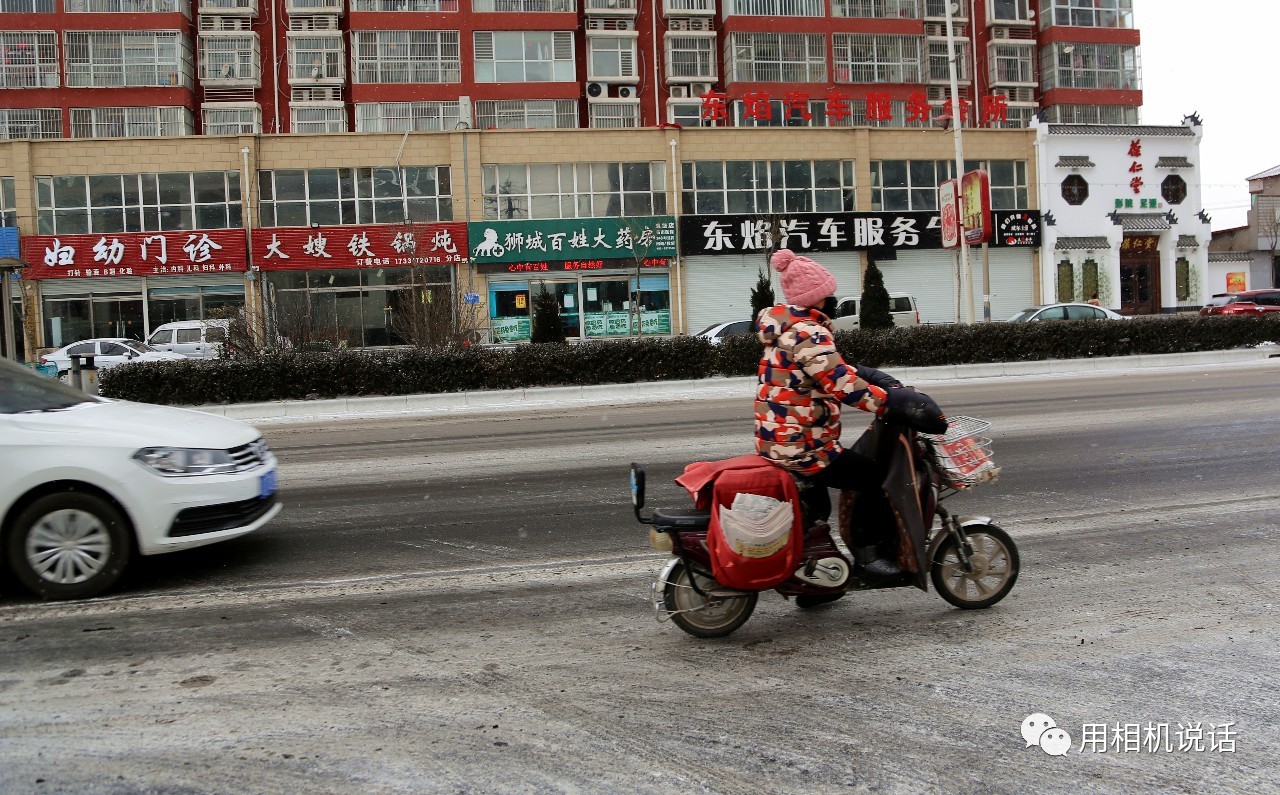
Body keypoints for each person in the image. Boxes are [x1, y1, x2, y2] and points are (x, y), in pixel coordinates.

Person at [753, 248, 945, 576]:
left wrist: (870, 375)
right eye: (828, 293)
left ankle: (815, 584)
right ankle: (869, 557)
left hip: (779, 440)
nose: (832, 298)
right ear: (817, 299)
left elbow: (826, 370)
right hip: (805, 447)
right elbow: (842, 385)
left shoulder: (786, 329)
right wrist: (891, 403)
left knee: (817, 511)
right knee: (870, 477)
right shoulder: (808, 332)